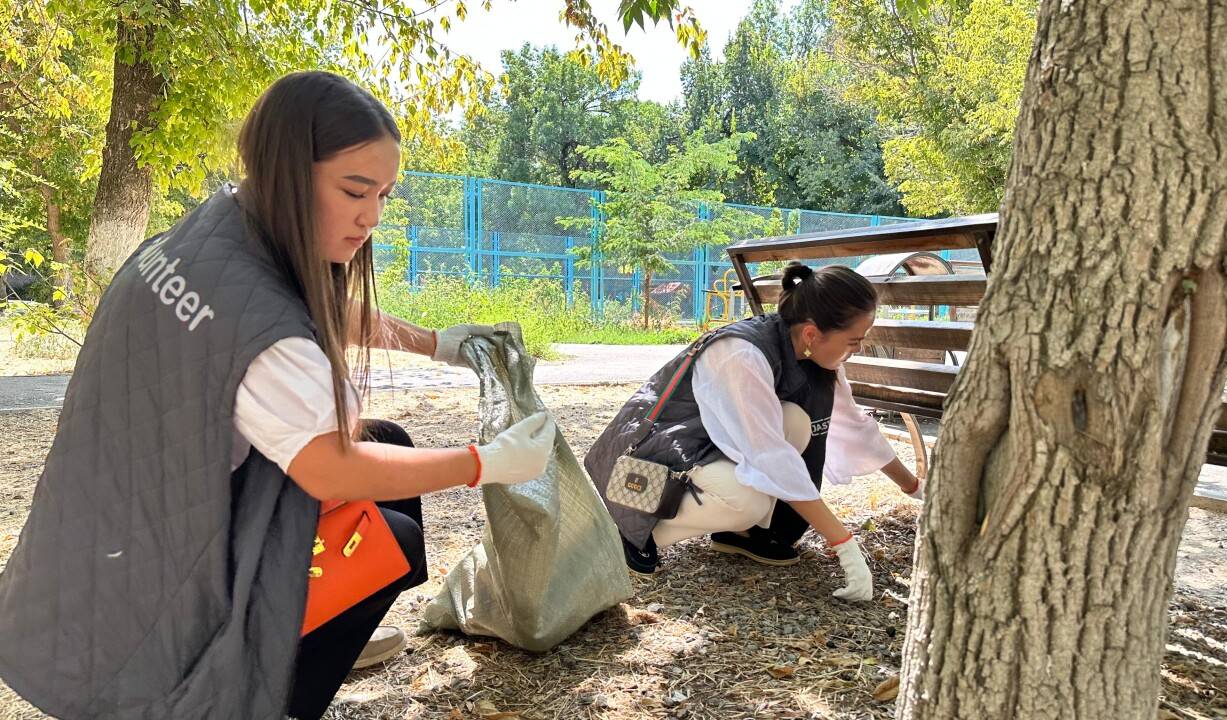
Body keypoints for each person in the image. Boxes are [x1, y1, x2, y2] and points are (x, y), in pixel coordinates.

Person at [0, 71, 556, 720]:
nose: (371, 217)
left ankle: (315, 630)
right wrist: (484, 464)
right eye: (354, 190)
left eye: (383, 194)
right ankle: (279, 690)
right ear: (291, 170)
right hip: (159, 569)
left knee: (393, 449)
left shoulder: (217, 231)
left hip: (117, 517)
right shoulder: (266, 339)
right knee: (394, 537)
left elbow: (303, 305)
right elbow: (329, 467)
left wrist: (436, 342)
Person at [585, 262, 922, 601]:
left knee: (795, 421)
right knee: (748, 500)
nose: (858, 349)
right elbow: (770, 457)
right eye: (854, 340)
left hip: (704, 450)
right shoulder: (742, 354)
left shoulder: (812, 356)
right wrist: (844, 544)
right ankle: (634, 532)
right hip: (652, 462)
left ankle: (740, 534)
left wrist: (915, 488)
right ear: (811, 333)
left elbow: (855, 427)